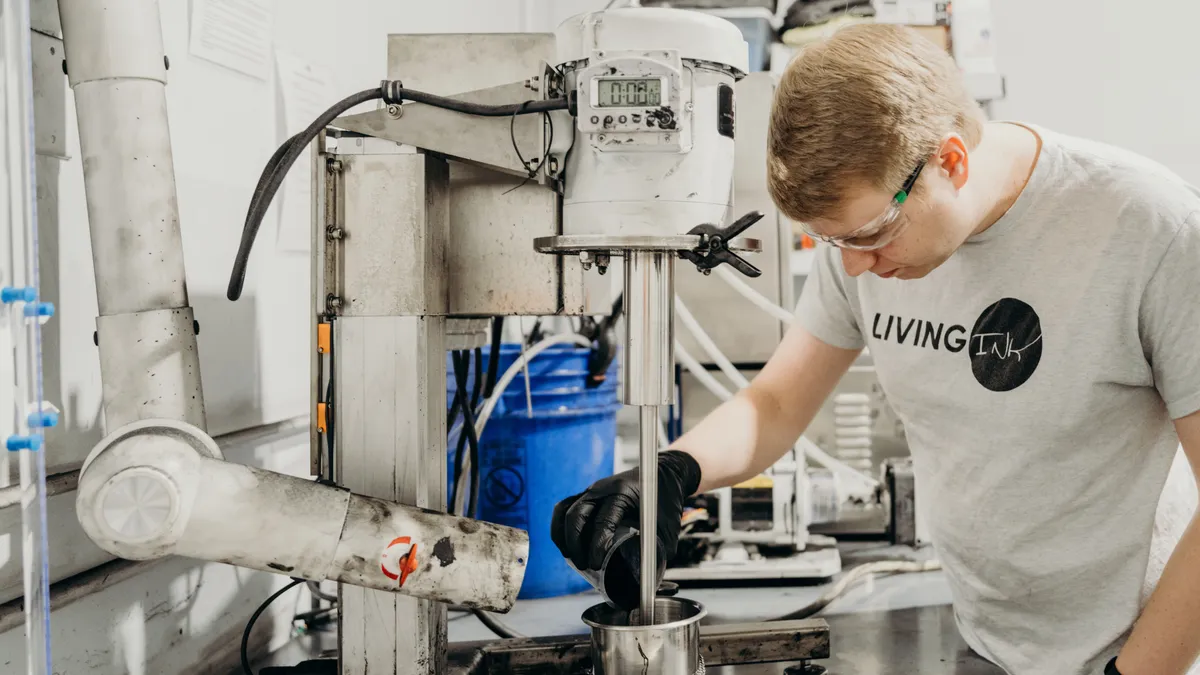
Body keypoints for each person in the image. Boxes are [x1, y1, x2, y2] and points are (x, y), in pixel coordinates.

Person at [550, 22, 1200, 675]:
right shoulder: (863, 244)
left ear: (951, 160)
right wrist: (673, 471)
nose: (855, 268)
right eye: (835, 243)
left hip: (1141, 655)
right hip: (987, 646)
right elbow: (777, 401)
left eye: (869, 235)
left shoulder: (1149, 229)